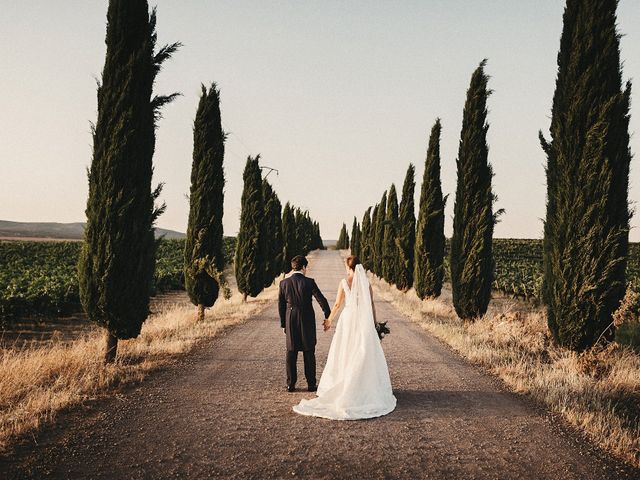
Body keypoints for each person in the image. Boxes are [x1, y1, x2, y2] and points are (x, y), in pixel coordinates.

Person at [292, 255, 396, 420]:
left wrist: (329, 321)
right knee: (362, 351)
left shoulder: (344, 282)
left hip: (348, 320)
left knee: (344, 351)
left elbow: (338, 305)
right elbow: (371, 305)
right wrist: (374, 324)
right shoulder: (366, 283)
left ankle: (344, 383)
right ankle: (363, 386)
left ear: (349, 267)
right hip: (363, 320)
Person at [278, 255, 331, 392]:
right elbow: (322, 300)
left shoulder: (283, 283)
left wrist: (283, 324)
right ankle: (311, 384)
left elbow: (281, 306)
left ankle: (291, 384)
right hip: (306, 318)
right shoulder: (309, 282)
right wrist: (327, 316)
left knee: (291, 351)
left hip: (290, 318)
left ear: (292, 267)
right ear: (303, 267)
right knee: (309, 351)